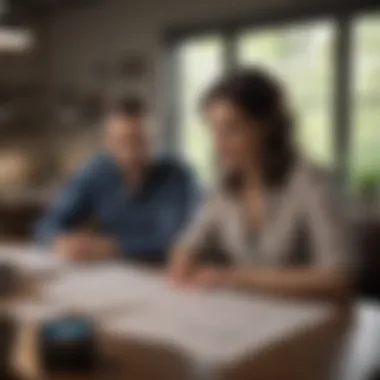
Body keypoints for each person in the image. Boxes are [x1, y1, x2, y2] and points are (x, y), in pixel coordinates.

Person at [169, 68, 353, 299]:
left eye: (232, 129)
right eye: (213, 130)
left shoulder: (313, 182)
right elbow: (187, 244)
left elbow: (338, 277)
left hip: (309, 318)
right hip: (248, 314)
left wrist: (236, 278)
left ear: (266, 126)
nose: (218, 144)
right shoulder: (224, 186)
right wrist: (183, 258)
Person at [36, 96, 199, 263]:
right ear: (107, 142)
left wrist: (112, 247)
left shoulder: (178, 176)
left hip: (162, 274)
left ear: (154, 139)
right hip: (114, 273)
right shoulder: (96, 171)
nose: (131, 151)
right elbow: (47, 224)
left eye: (139, 140)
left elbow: (174, 242)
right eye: (122, 141)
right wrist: (60, 242)